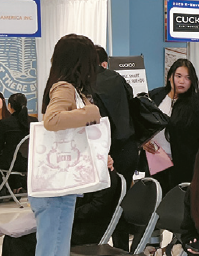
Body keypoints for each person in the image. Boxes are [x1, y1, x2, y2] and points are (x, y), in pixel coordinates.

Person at [36, 33, 103, 256]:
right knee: (53, 247)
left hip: (59, 183)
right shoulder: (65, 88)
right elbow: (52, 120)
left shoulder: (68, 88)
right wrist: (90, 113)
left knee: (56, 246)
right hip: (55, 186)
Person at [2, 168, 122, 256]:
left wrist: (63, 212)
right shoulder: (78, 170)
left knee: (20, 241)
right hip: (66, 220)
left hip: (83, 229)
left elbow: (96, 208)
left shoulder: (106, 175)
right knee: (13, 236)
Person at [145, 58, 199, 193]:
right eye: (178, 76)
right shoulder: (156, 95)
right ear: (170, 77)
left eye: (187, 78)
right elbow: (143, 122)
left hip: (182, 164)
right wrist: (143, 141)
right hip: (155, 161)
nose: (182, 81)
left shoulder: (197, 103)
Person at [92, 45, 138, 186]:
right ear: (105, 63)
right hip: (128, 144)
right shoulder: (118, 79)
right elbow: (131, 100)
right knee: (125, 193)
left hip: (104, 148)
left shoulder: (87, 84)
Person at [0, 93, 35, 193]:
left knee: (7, 157)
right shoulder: (33, 121)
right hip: (30, 163)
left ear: (10, 106)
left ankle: (4, 189)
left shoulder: (5, 123)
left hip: (10, 164)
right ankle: (16, 186)